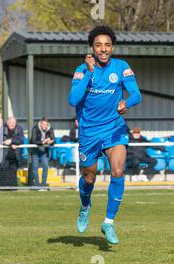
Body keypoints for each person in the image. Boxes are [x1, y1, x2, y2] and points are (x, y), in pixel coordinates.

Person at [68, 25, 141, 244]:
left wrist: (126, 103)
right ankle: (85, 205)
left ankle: (108, 222)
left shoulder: (121, 67)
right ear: (92, 47)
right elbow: (73, 100)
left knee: (118, 171)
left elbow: (137, 94)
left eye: (107, 45)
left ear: (112, 48)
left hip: (114, 129)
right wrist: (90, 73)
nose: (103, 49)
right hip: (89, 133)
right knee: (89, 177)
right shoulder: (82, 70)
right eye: (99, 45)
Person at [0, 117, 24, 187]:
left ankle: (13, 187)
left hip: (15, 154)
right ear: (7, 123)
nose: (12, 124)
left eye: (14, 123)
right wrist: (10, 143)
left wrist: (11, 141)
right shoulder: (1, 129)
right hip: (4, 154)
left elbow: (21, 140)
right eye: (11, 123)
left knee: (13, 170)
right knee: (5, 170)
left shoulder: (19, 129)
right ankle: (4, 187)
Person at [30, 117, 55, 189]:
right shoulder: (35, 128)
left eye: (46, 125)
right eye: (44, 124)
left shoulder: (50, 129)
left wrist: (51, 142)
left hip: (44, 151)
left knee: (46, 166)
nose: (45, 126)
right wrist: (43, 142)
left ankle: (43, 185)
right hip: (35, 150)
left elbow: (54, 139)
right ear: (40, 124)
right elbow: (33, 140)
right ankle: (37, 185)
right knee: (35, 167)